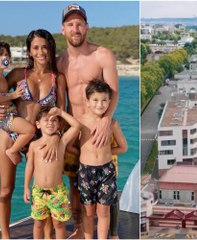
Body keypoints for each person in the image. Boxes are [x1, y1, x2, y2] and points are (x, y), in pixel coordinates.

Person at [0, 29, 66, 238]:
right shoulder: (18, 74)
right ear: (29, 51)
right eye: (36, 47)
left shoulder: (58, 78)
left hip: (40, 141)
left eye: (45, 47)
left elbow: (62, 114)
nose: (41, 52)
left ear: (51, 49)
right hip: (10, 135)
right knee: (5, 190)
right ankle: (5, 235)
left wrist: (56, 138)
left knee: (45, 191)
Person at [57, 3, 119, 238]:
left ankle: (112, 234)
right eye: (70, 24)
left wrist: (106, 120)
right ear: (63, 29)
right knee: (76, 184)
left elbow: (114, 91)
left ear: (87, 27)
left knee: (108, 184)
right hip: (75, 131)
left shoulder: (102, 55)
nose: (76, 28)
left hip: (100, 128)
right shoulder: (59, 62)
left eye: (80, 24)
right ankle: (81, 230)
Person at [77, 80, 127, 239]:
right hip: (86, 172)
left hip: (106, 171)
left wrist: (105, 151)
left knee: (104, 211)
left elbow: (123, 147)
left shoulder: (112, 124)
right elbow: (71, 144)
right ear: (87, 101)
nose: (100, 104)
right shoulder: (80, 122)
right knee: (89, 211)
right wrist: (83, 153)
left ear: (110, 101)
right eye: (96, 100)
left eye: (104, 100)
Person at [24, 106, 80, 239]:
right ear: (38, 124)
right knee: (38, 223)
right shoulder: (34, 145)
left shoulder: (62, 143)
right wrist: (26, 186)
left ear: (59, 124)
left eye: (54, 120)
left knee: (59, 224)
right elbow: (30, 166)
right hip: (38, 191)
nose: (50, 123)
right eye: (46, 120)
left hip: (57, 192)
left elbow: (76, 126)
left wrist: (60, 112)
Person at [0, 40, 35, 165]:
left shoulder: (0, 75)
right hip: (3, 116)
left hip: (7, 114)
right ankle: (12, 151)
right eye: (0, 55)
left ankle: (19, 147)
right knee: (29, 130)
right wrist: (13, 95)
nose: (5, 57)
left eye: (7, 54)